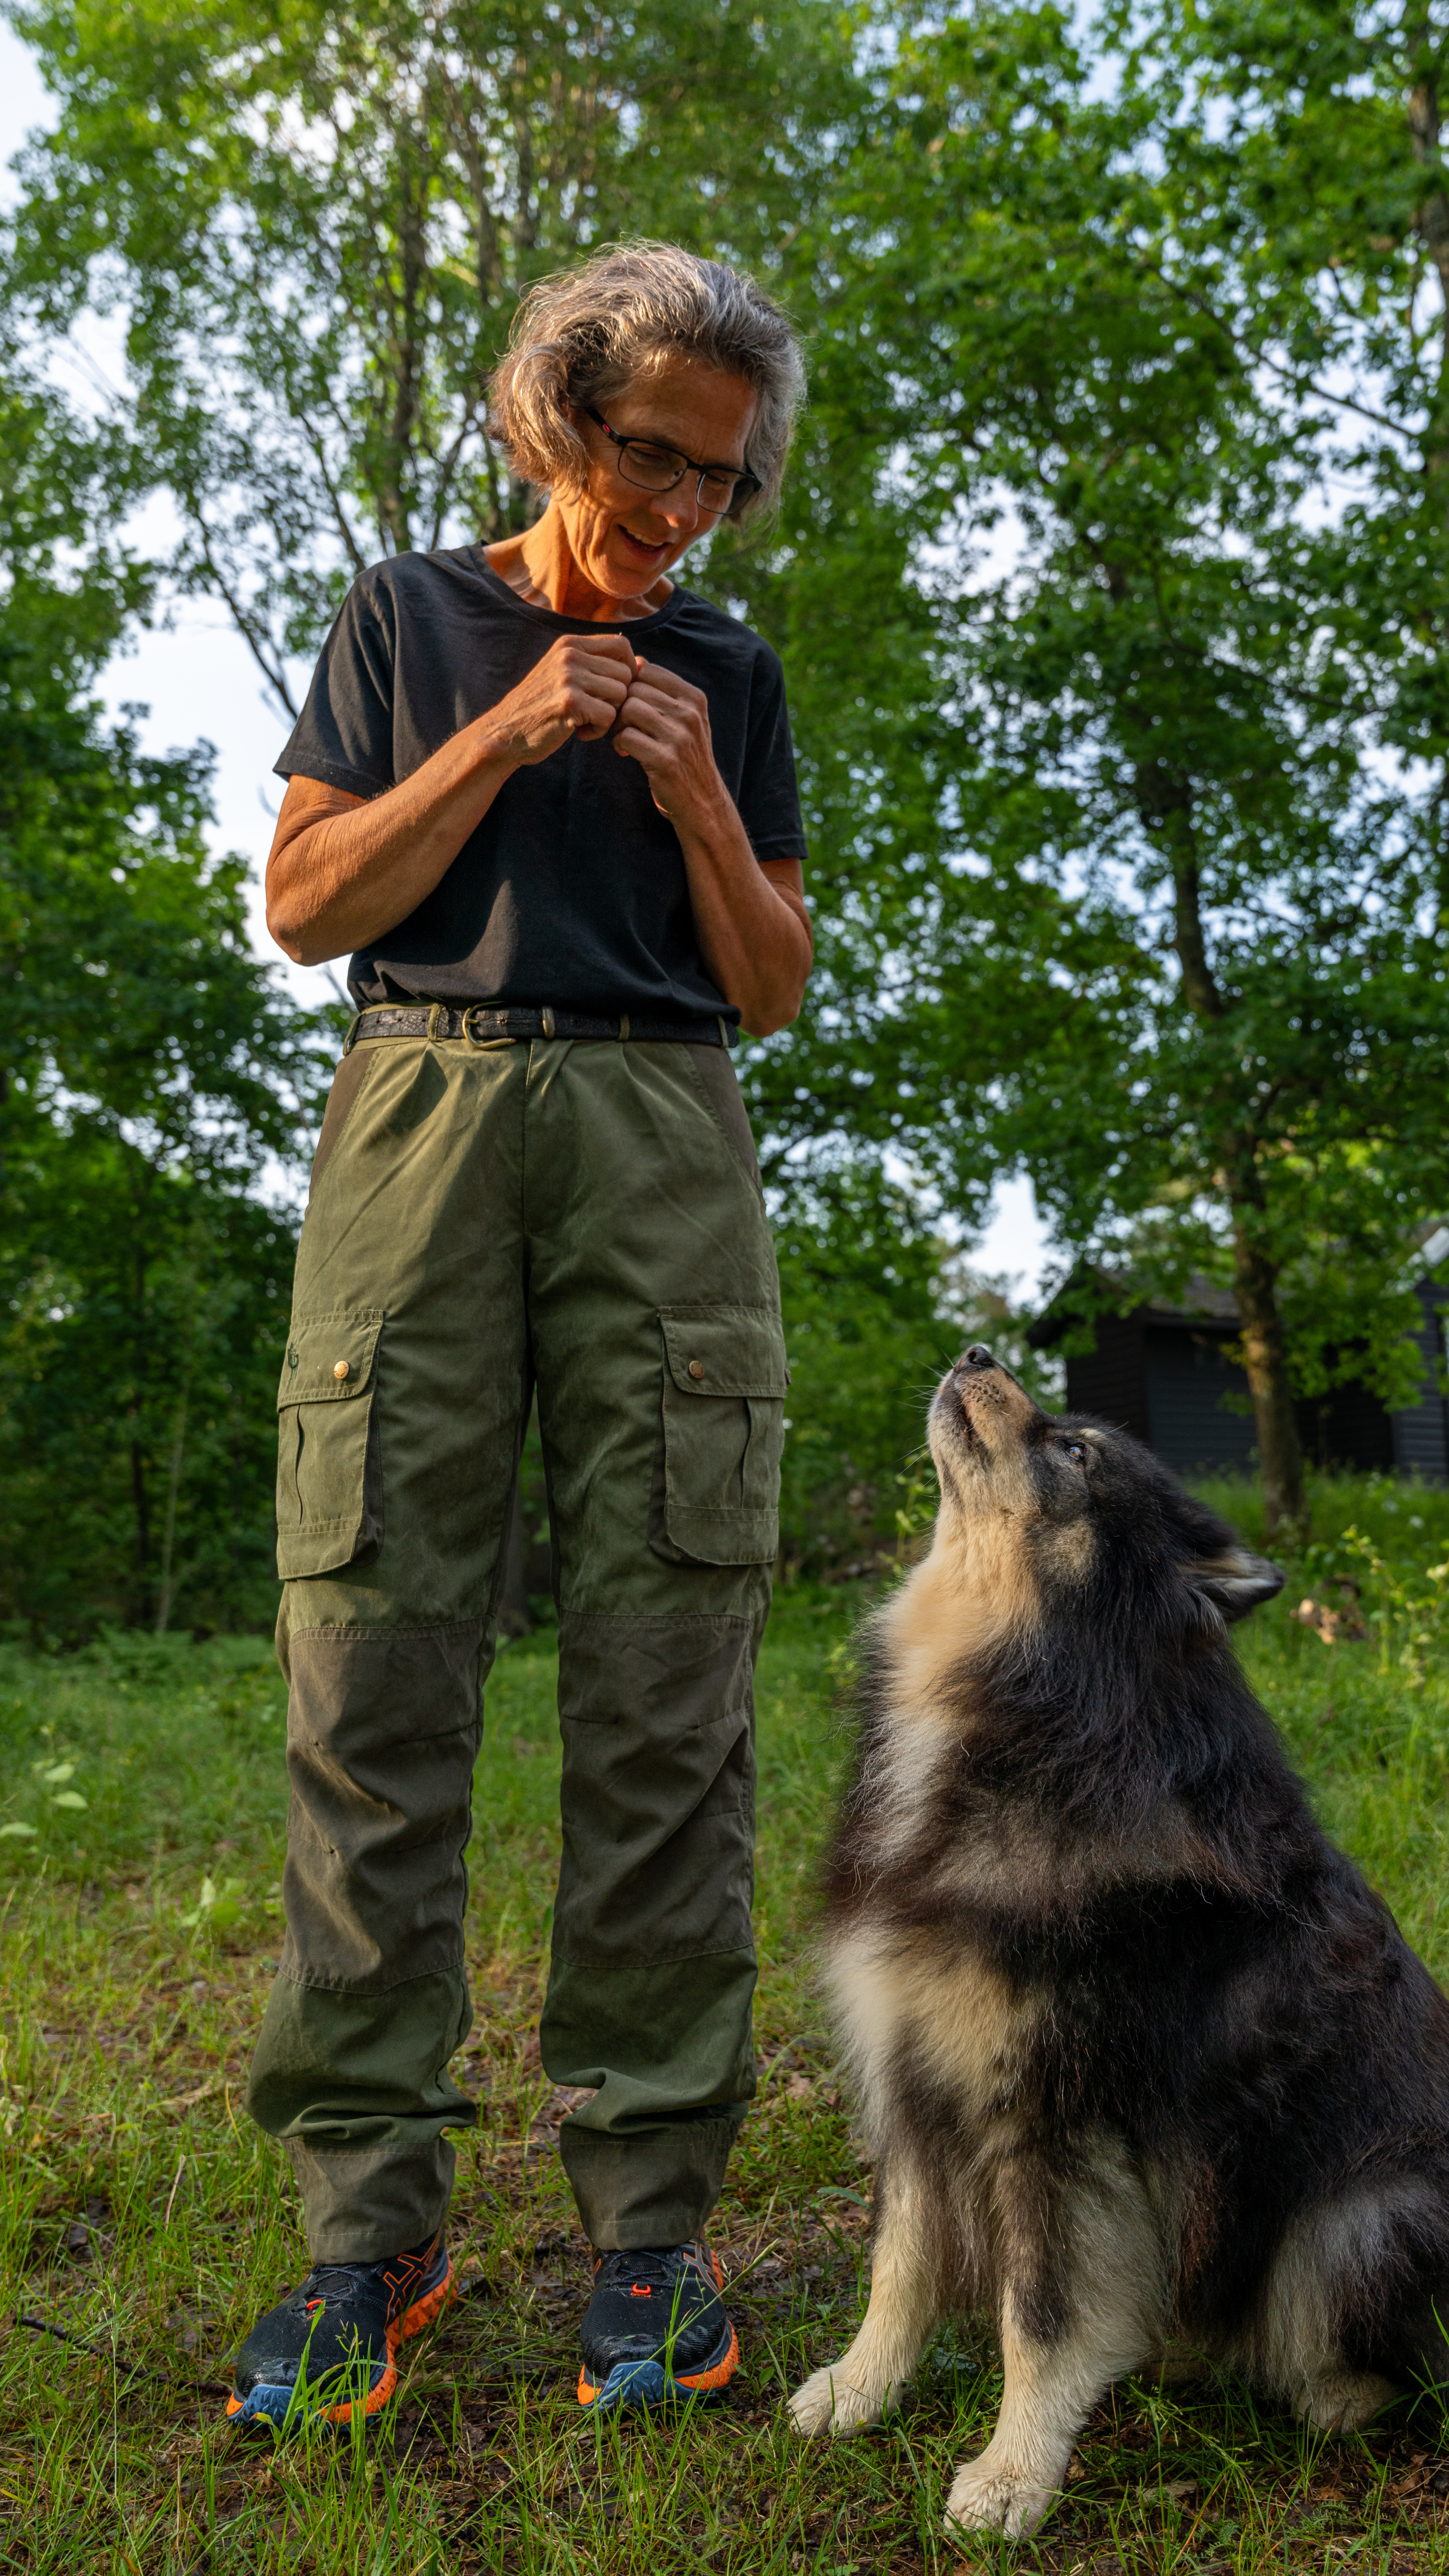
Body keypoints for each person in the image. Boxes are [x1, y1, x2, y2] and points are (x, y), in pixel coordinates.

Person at [226, 242, 812, 2430]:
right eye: (647, 455)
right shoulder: (406, 618)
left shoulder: (731, 674)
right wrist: (513, 721)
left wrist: (675, 783)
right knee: (372, 1657)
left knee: (670, 1676)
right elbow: (306, 906)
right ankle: (368, 2234)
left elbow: (769, 978)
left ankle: (650, 2229)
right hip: (422, 1108)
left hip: (667, 1122)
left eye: (717, 480)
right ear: (556, 416)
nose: (674, 510)